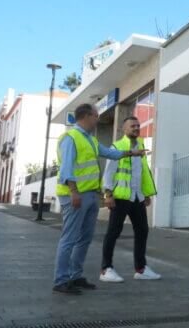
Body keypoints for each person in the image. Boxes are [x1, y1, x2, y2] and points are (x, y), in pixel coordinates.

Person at [52, 103, 148, 295]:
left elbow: (109, 153)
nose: (97, 119)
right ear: (86, 116)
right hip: (75, 195)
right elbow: (67, 168)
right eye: (96, 116)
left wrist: (131, 152)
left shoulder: (90, 139)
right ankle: (61, 280)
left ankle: (75, 276)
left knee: (85, 238)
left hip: (90, 195)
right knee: (69, 238)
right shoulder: (70, 138)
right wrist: (74, 192)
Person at [99, 116, 160, 282]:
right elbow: (109, 172)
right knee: (113, 232)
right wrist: (108, 194)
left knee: (142, 230)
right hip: (120, 197)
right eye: (133, 126)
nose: (136, 128)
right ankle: (106, 269)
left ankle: (141, 269)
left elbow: (143, 172)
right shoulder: (117, 146)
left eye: (138, 126)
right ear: (124, 129)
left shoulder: (140, 146)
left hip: (137, 196)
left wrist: (146, 193)